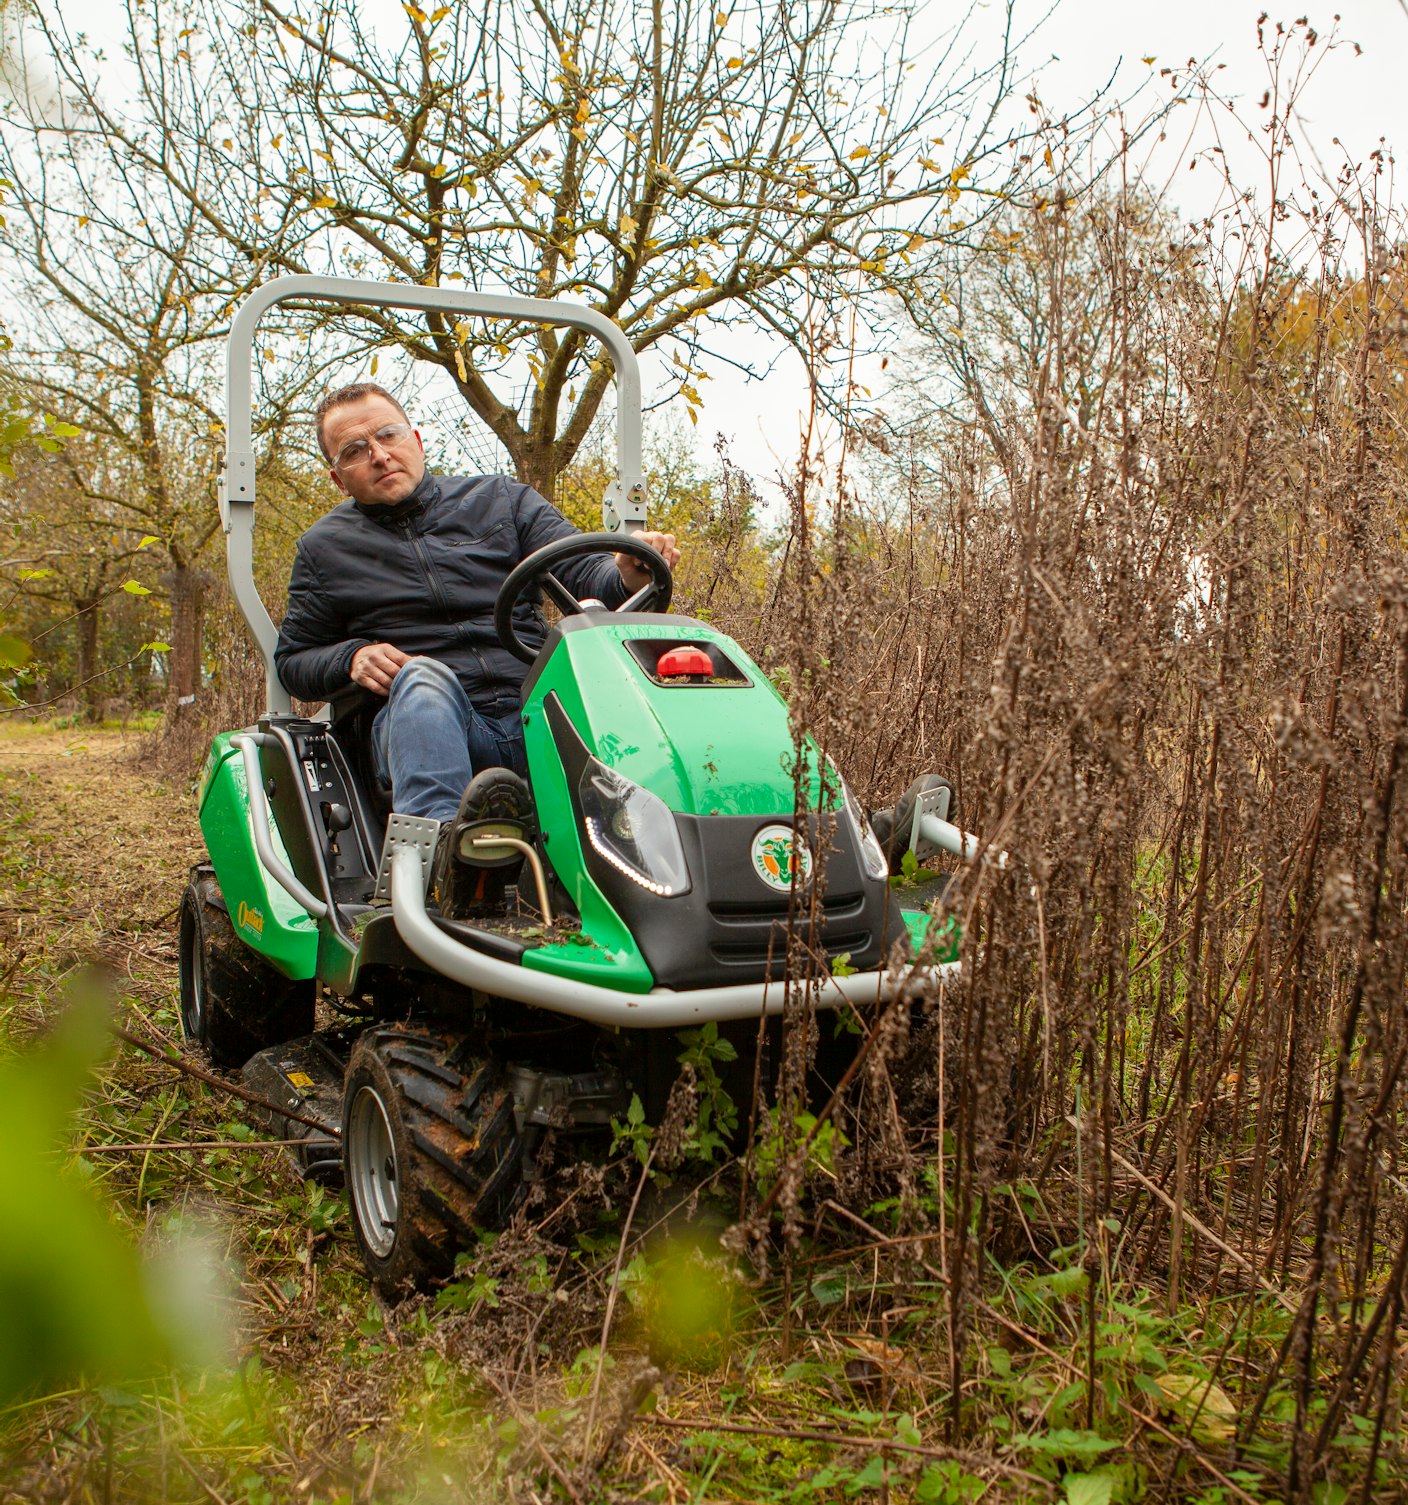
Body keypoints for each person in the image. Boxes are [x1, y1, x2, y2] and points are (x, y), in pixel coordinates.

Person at [274, 381, 680, 909]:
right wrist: (349, 657)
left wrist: (626, 570)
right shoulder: (324, 549)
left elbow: (589, 574)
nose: (378, 455)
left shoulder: (500, 501)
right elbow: (293, 660)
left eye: (388, 435)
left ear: (416, 440)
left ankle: (658, 858)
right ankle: (440, 867)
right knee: (423, 675)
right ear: (337, 477)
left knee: (622, 681)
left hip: (532, 712)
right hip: (425, 725)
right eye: (354, 451)